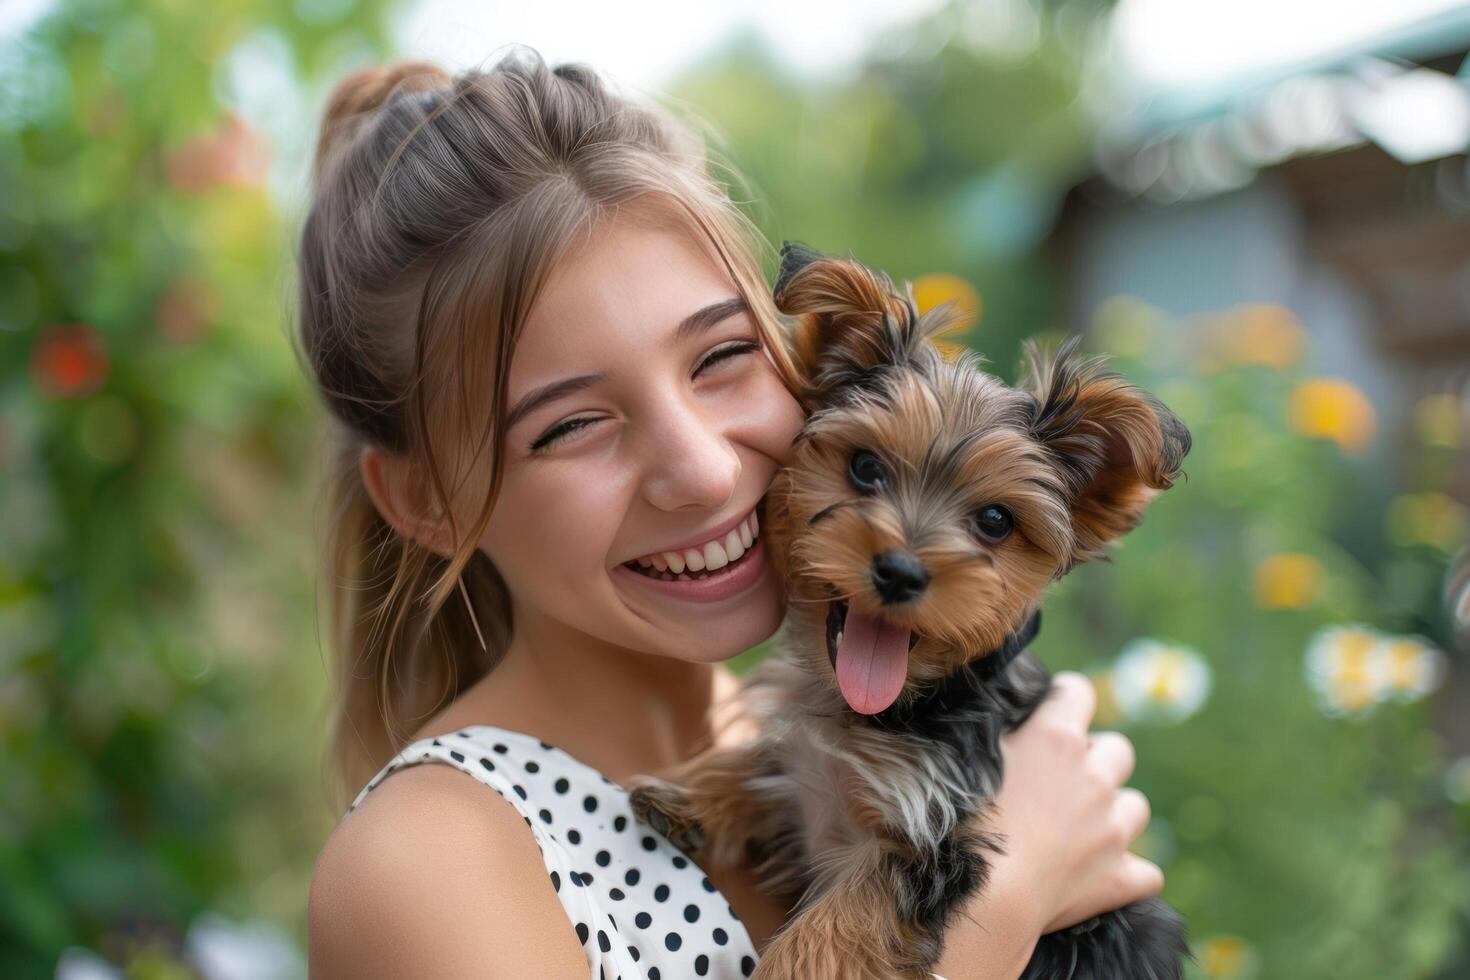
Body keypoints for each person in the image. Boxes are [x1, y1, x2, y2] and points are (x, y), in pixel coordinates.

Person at [300, 45, 1164, 980]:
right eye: (573, 424)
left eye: (722, 357)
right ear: (427, 500)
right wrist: (1007, 891)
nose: (705, 472)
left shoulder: (788, 740)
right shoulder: (425, 867)